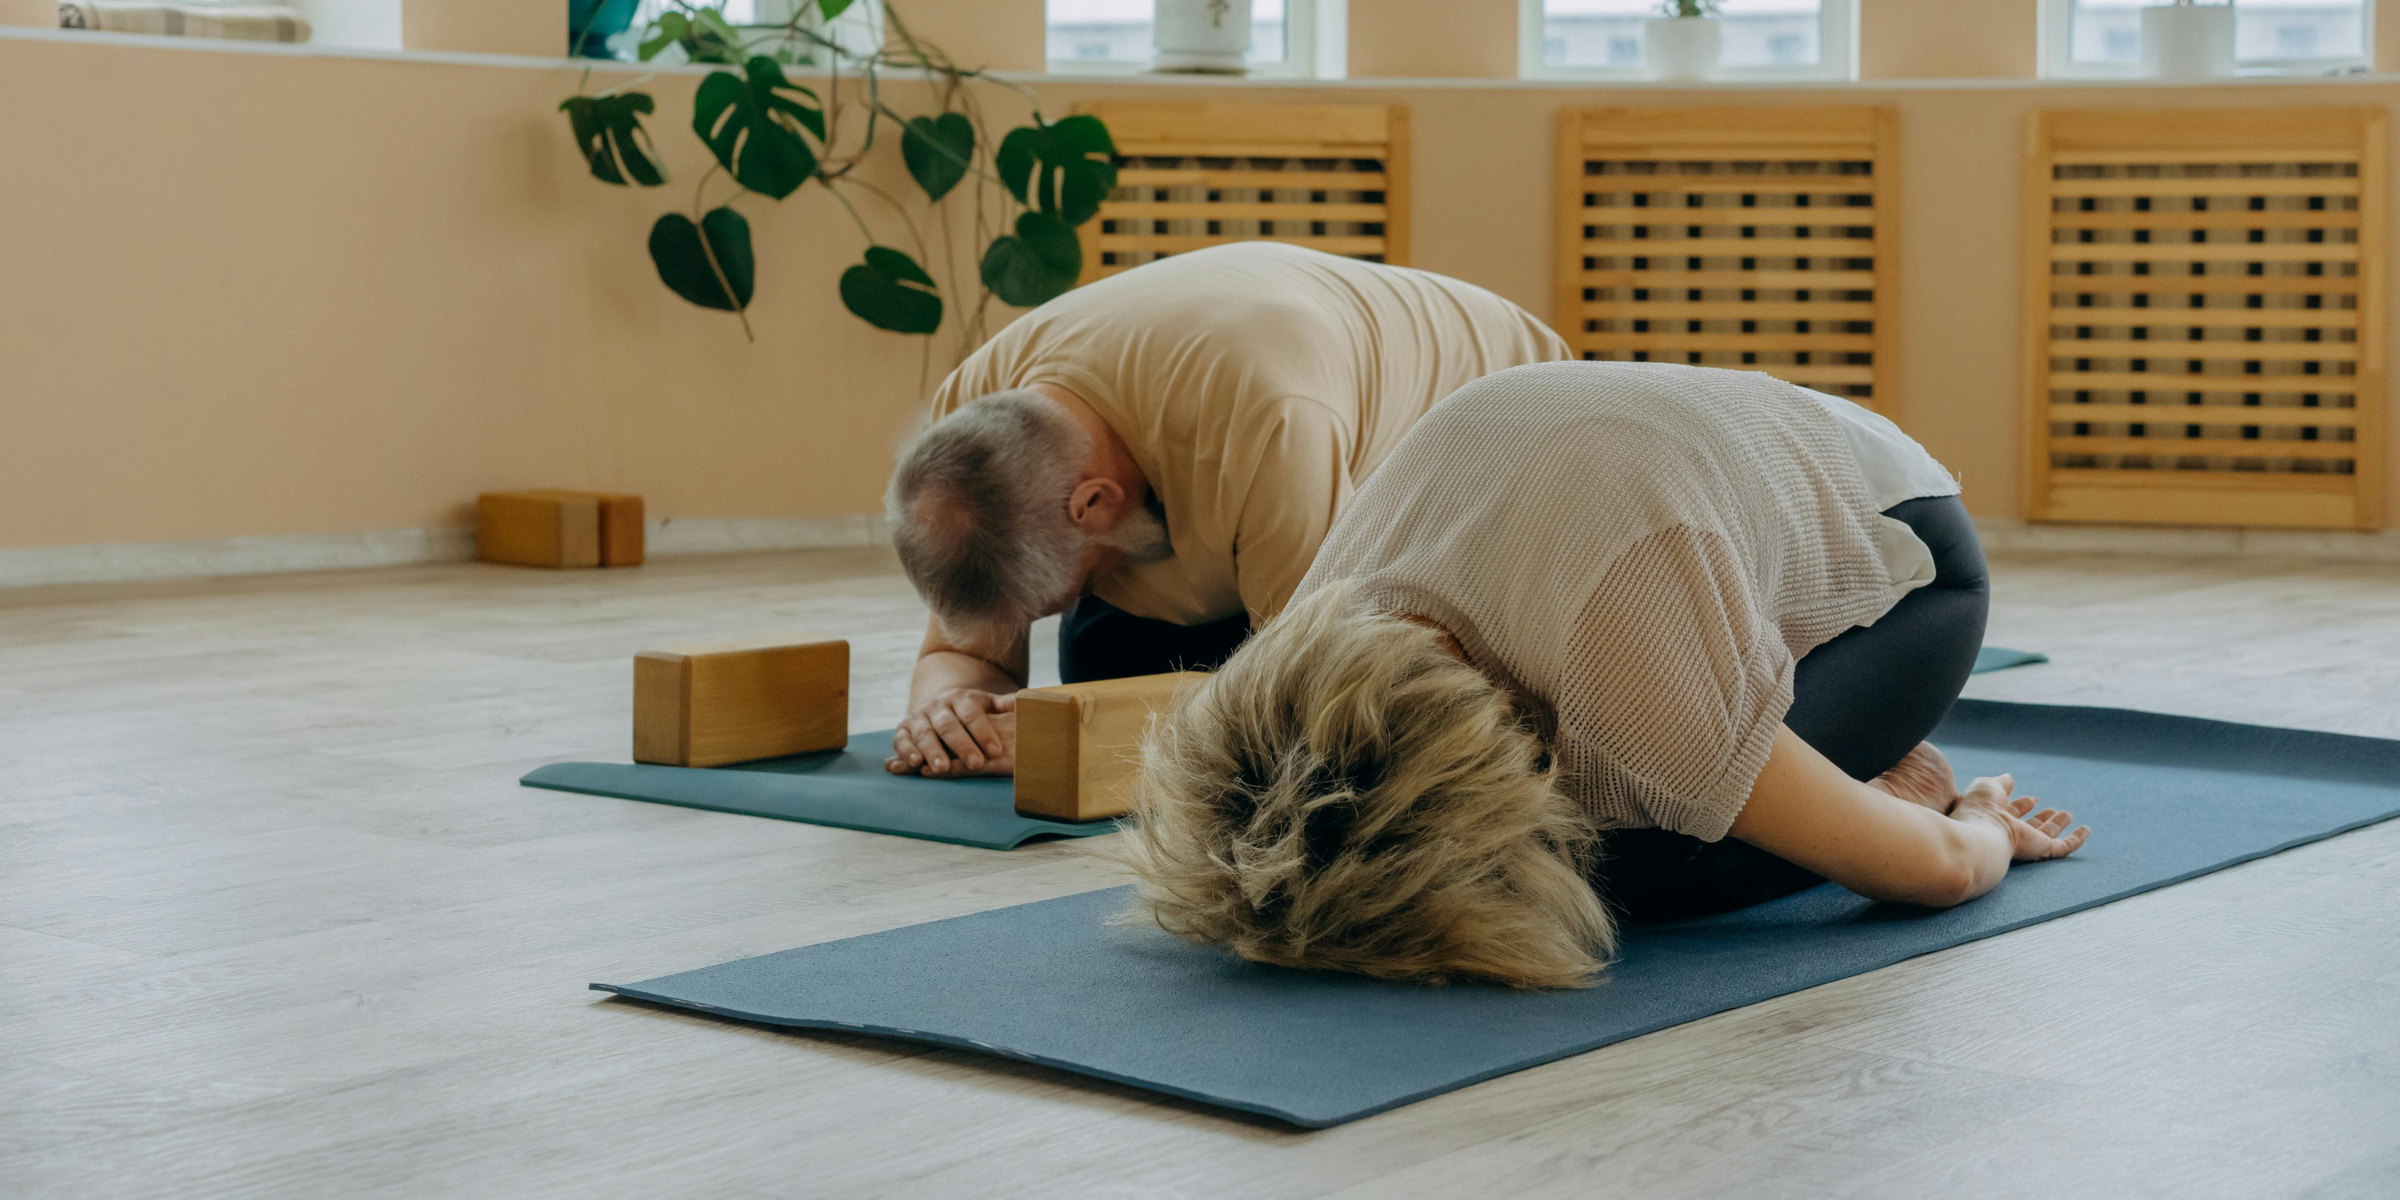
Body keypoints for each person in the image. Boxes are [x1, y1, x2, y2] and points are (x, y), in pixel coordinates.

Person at [1118, 361, 2092, 989]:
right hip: (1647, 500)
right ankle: (1793, 764)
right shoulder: (1309, 644)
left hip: (1908, 552)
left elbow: (1936, 871)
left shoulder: (1626, 672)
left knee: (1622, 867)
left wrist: (1974, 821)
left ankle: (1812, 769)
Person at [881, 242, 1569, 779]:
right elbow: (963, 647)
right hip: (1238, 434)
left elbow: (1307, 692)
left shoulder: (1271, 423)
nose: (1027, 626)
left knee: (1322, 741)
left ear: (1092, 503)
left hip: (1491, 434)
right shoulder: (973, 419)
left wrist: (1085, 730)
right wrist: (944, 711)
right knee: (1100, 664)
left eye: (1055, 594)